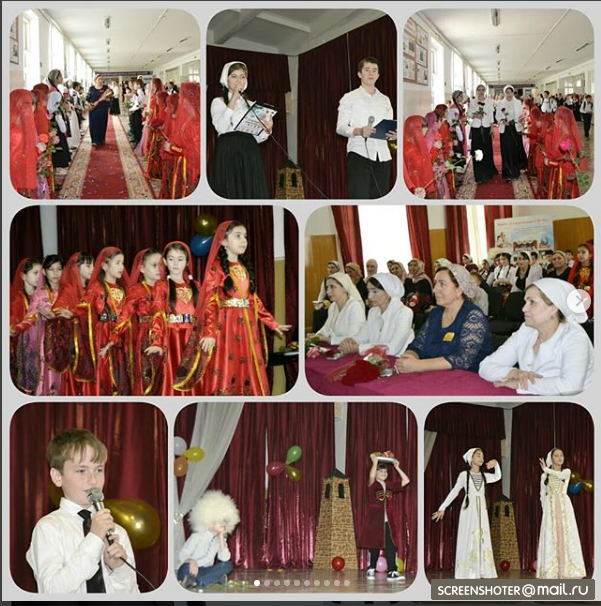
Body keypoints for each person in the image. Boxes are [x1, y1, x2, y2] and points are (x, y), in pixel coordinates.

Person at [174, 221, 291, 396]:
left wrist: (272, 323)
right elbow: (210, 302)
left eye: (245, 236)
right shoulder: (217, 268)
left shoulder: (244, 267)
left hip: (247, 327)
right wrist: (209, 332)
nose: (243, 240)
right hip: (227, 327)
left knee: (249, 368)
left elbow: (253, 300)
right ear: (223, 241)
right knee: (227, 368)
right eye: (237, 236)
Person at [26, 428, 139, 593]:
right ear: (57, 477)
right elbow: (51, 590)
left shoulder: (117, 532)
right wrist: (94, 539)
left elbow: (133, 594)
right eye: (81, 471)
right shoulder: (48, 528)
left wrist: (117, 569)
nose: (93, 480)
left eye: (99, 470)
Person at [478, 279, 593, 395]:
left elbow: (571, 387)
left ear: (553, 308)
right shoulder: (526, 330)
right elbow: (486, 366)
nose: (524, 309)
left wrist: (520, 384)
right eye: (526, 302)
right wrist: (514, 373)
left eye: (532, 302)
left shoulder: (575, 338)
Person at [395, 264, 492, 374]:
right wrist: (409, 357)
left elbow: (462, 360)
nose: (435, 289)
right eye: (435, 283)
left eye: (442, 284)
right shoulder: (435, 313)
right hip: (434, 375)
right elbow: (418, 345)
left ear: (459, 290)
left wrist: (418, 365)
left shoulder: (473, 316)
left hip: (468, 378)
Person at [100, 249, 165, 396]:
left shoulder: (167, 288)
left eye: (161, 265)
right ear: (142, 268)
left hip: (167, 337)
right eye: (154, 265)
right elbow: (125, 315)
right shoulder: (136, 290)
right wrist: (112, 339)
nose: (159, 269)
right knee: (147, 381)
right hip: (146, 339)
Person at [431, 448, 501, 579]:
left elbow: (497, 476)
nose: (481, 458)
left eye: (482, 456)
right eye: (478, 455)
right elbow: (454, 491)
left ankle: (482, 569)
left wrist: (496, 464)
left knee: (482, 536)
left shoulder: (484, 476)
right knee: (469, 535)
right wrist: (442, 507)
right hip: (469, 509)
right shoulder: (464, 475)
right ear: (471, 458)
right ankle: (468, 570)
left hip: (482, 509)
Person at [209, 61, 272, 199]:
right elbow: (221, 127)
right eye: (234, 76)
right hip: (228, 149)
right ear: (226, 79)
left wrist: (267, 130)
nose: (239, 81)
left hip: (249, 150)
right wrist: (234, 98)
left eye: (242, 77)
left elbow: (258, 137)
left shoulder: (252, 105)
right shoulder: (218, 102)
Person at [336, 56, 396, 199]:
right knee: (359, 197)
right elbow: (340, 127)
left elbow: (389, 124)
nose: (371, 73)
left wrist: (394, 135)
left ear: (378, 75)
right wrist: (359, 131)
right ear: (359, 74)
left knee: (381, 198)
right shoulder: (349, 97)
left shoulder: (385, 100)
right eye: (367, 70)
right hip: (359, 153)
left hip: (383, 155)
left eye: (374, 70)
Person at [77, 247, 131, 396]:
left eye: (123, 263)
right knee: (104, 372)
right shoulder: (96, 287)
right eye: (118, 263)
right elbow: (83, 305)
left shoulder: (124, 289)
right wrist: (72, 312)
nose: (122, 267)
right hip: (102, 335)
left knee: (121, 373)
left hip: (121, 334)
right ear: (105, 266)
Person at [149, 242, 200, 396]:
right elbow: (158, 315)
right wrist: (157, 342)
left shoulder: (196, 286)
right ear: (165, 262)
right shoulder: (161, 286)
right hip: (173, 338)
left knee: (193, 379)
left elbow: (204, 314)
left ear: (187, 261)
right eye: (171, 259)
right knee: (173, 376)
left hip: (193, 338)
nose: (176, 264)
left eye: (180, 259)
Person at [12, 255, 64, 395]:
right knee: (46, 375)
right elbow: (30, 316)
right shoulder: (40, 294)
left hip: (65, 340)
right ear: (45, 273)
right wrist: (16, 328)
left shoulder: (67, 291)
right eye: (51, 269)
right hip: (45, 342)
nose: (55, 273)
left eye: (59, 269)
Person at [536, 449, 586, 579]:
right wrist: (545, 507)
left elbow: (560, 476)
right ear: (551, 459)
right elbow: (542, 492)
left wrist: (546, 469)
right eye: (556, 456)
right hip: (550, 507)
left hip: (564, 506)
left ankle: (567, 569)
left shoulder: (566, 471)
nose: (560, 458)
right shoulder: (545, 476)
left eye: (562, 455)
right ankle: (552, 570)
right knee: (552, 536)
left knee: (566, 535)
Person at [359, 453, 410, 581]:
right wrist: (375, 461)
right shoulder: (373, 484)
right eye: (381, 471)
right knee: (374, 545)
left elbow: (406, 481)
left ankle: (392, 571)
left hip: (388, 522)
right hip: (375, 521)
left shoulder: (390, 485)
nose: (384, 473)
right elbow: (371, 476)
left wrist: (397, 467)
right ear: (376, 473)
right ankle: (371, 568)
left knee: (391, 546)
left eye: (386, 471)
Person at [52, 252, 95, 396]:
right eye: (88, 266)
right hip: (77, 344)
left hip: (92, 340)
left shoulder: (92, 288)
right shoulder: (69, 289)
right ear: (76, 268)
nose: (92, 269)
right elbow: (57, 308)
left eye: (93, 265)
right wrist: (70, 313)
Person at [339, 273, 413, 356]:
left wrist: (359, 348)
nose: (369, 296)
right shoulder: (373, 311)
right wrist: (351, 341)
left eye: (374, 291)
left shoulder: (404, 313)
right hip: (374, 357)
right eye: (368, 291)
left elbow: (393, 348)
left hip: (397, 359)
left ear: (388, 292)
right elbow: (363, 336)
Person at [177, 490, 239, 589]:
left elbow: (224, 558)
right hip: (189, 569)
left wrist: (221, 537)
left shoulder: (219, 540)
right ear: (210, 520)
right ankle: (211, 579)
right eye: (220, 520)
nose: (223, 524)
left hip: (204, 571)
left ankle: (199, 581)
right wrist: (191, 561)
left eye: (225, 521)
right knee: (185, 568)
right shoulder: (198, 535)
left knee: (227, 565)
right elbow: (182, 554)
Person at [162, 82, 200, 199]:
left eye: (181, 96)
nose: (180, 100)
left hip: (188, 168)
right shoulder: (189, 118)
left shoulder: (195, 123)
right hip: (181, 164)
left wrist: (171, 148)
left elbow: (194, 153)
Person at [10, 258, 42, 389]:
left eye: (41, 273)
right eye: (35, 273)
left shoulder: (42, 295)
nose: (39, 277)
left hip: (42, 346)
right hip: (25, 349)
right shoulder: (17, 299)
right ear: (23, 276)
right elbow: (13, 322)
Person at [308, 272, 365, 345]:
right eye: (327, 287)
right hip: (336, 346)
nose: (328, 292)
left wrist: (325, 339)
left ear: (344, 288)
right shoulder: (333, 306)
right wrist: (315, 336)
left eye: (332, 287)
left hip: (349, 349)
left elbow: (353, 339)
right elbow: (326, 329)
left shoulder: (355, 307)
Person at [10, 89, 39, 198]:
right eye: (29, 105)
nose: (33, 108)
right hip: (17, 180)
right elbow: (16, 161)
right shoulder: (16, 133)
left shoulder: (21, 124)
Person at [496, 85, 527, 181]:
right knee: (506, 149)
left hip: (515, 128)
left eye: (510, 92)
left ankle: (515, 170)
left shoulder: (518, 102)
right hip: (505, 129)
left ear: (513, 93)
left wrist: (521, 120)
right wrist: (502, 121)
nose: (509, 94)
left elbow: (521, 115)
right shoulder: (500, 103)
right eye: (507, 92)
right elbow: (497, 116)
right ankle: (507, 171)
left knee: (515, 149)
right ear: (504, 93)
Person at [467, 84, 498, 183]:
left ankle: (487, 172)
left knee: (487, 149)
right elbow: (469, 114)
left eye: (482, 90)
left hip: (486, 127)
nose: (481, 91)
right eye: (479, 90)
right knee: (477, 150)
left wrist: (492, 127)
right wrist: (475, 115)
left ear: (484, 91)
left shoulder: (489, 101)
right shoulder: (473, 101)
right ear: (476, 91)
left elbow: (491, 115)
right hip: (476, 128)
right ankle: (479, 174)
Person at [46, 70, 72, 171]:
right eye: (60, 76)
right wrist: (60, 108)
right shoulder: (54, 92)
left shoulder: (54, 90)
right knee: (58, 140)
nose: (62, 78)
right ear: (56, 78)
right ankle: (58, 164)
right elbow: (50, 108)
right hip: (55, 119)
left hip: (56, 117)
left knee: (60, 140)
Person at [568, 242, 594, 319]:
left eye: (583, 252)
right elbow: (570, 283)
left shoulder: (595, 267)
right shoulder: (575, 267)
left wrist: (583, 290)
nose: (580, 255)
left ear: (590, 254)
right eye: (578, 252)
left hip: (590, 297)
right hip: (576, 297)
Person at [86, 75, 113, 147]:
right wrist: (89, 104)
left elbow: (110, 98)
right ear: (95, 80)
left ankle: (101, 139)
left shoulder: (105, 88)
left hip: (103, 109)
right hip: (94, 109)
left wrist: (104, 99)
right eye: (99, 79)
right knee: (93, 125)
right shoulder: (91, 88)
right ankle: (94, 140)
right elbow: (87, 98)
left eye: (101, 79)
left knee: (102, 124)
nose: (101, 81)